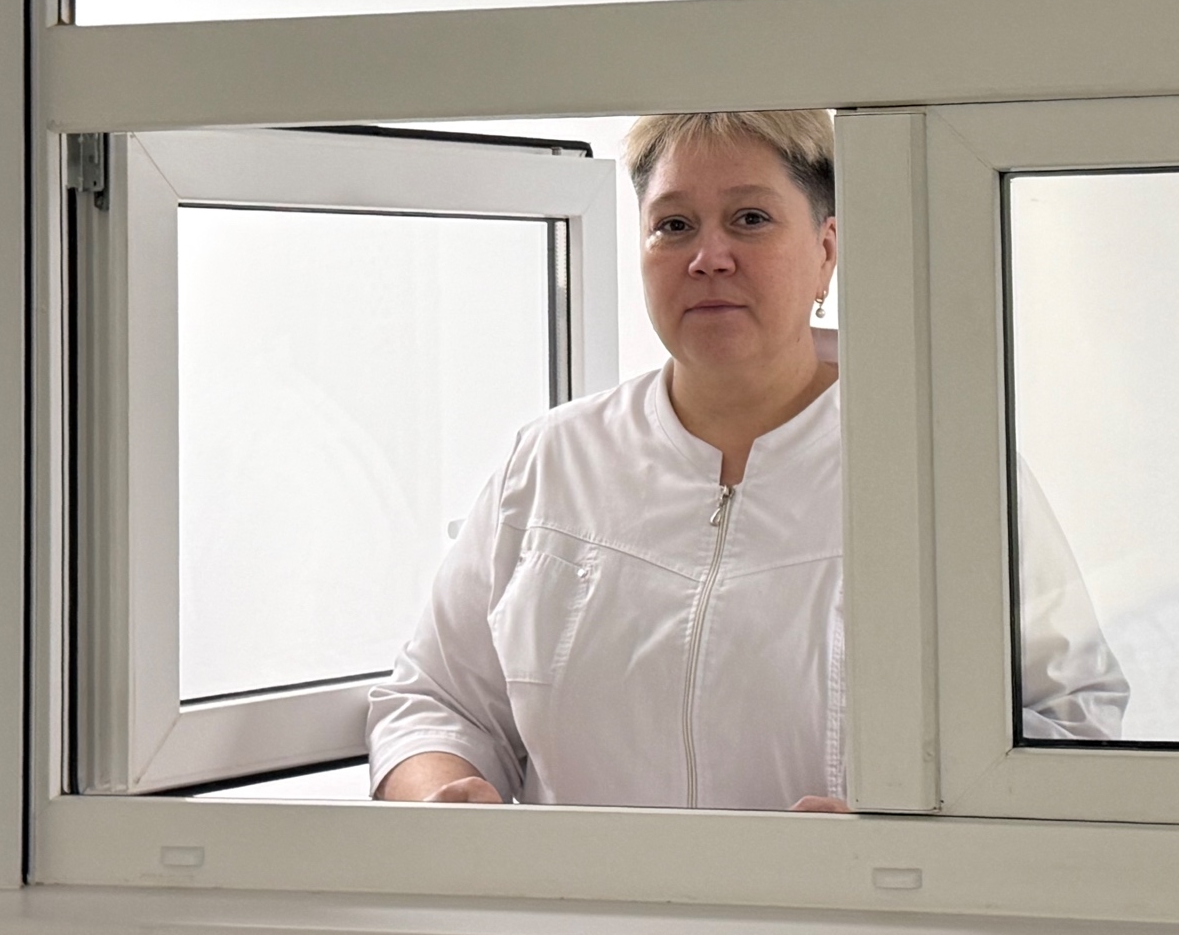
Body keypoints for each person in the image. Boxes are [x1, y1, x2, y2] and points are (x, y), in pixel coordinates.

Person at [367, 109, 1124, 809]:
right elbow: (436, 702)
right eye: (673, 226)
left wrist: (909, 831)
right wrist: (444, 798)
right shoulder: (553, 459)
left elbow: (1068, 716)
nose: (709, 258)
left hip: (844, 908)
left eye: (750, 219)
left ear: (826, 251)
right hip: (579, 907)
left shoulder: (937, 466)